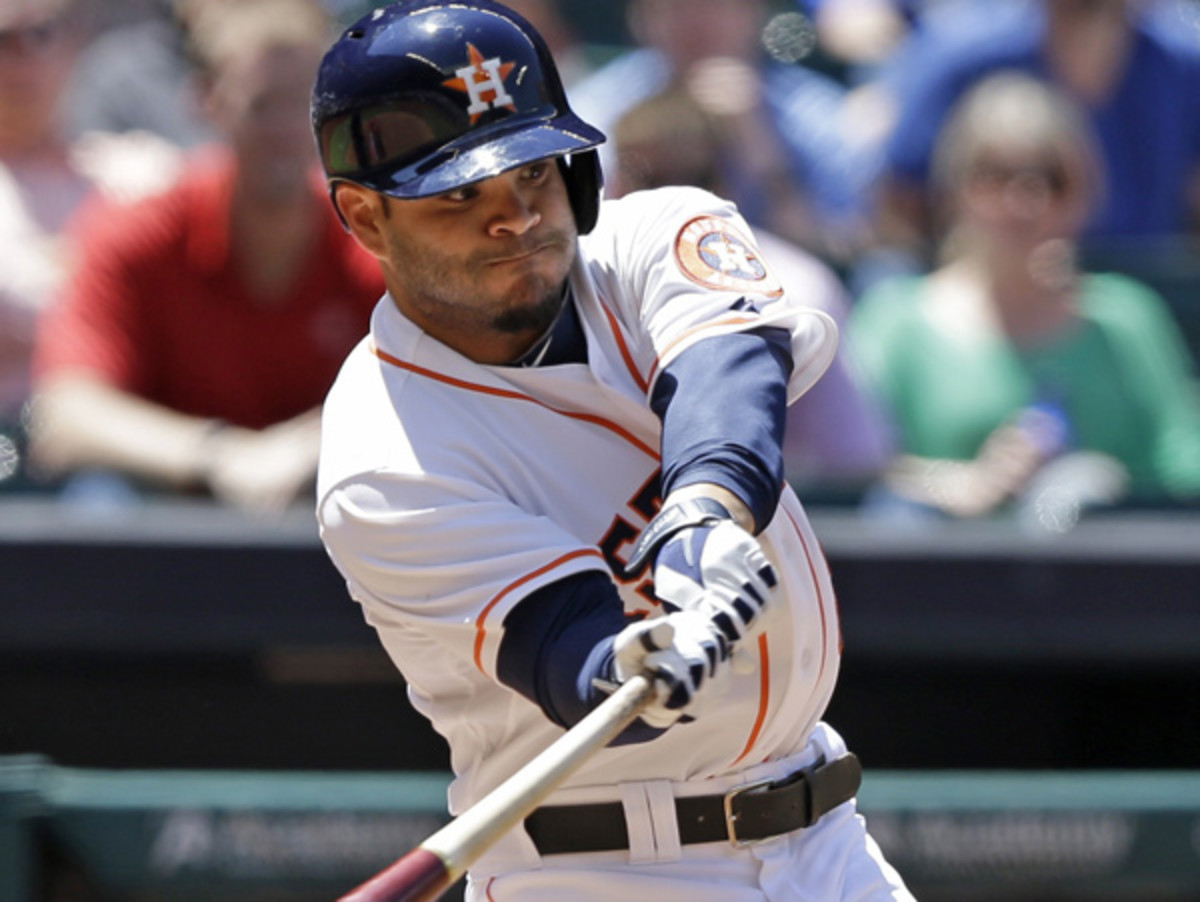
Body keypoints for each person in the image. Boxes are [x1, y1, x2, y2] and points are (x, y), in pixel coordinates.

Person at [312, 3, 913, 900]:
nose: (514, 219)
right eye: (459, 195)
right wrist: (641, 661)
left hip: (825, 837)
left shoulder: (650, 238)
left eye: (532, 175)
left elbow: (731, 376)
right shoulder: (383, 460)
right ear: (365, 217)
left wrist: (704, 515)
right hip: (604, 866)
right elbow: (572, 658)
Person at [29, 0, 384, 514]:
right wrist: (222, 456)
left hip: (330, 499)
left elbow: (445, 390)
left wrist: (310, 445)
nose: (287, 130)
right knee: (97, 501)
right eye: (264, 105)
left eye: (306, 105)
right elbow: (65, 417)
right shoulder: (140, 230)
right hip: (170, 508)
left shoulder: (373, 238)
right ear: (207, 101)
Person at [848, 72, 1200, 525]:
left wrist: (1104, 485)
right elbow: (849, 471)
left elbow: (1183, 466)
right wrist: (962, 483)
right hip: (938, 582)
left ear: (1083, 193)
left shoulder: (1127, 318)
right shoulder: (894, 320)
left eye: (1049, 180)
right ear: (955, 189)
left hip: (1104, 584)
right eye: (994, 177)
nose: (1021, 201)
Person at [610, 84, 892, 492]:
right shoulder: (576, 289)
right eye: (649, 181)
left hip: (764, 517)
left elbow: (852, 460)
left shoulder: (795, 291)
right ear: (615, 183)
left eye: (687, 180)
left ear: (724, 183)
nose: (666, 203)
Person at [0, 0, 181, 491]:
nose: (21, 58)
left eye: (41, 34)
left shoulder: (141, 170)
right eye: (3, 40)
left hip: (125, 444)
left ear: (75, 43)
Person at [872, 0, 1200, 270]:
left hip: (1151, 306)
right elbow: (900, 205)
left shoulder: (1185, 64)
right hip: (989, 309)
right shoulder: (963, 55)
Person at [567, 0, 871, 264]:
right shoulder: (594, 112)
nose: (695, 20)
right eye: (672, 5)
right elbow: (583, 236)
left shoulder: (818, 116)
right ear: (639, 15)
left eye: (714, 2)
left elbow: (844, 249)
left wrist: (758, 144)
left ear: (756, 11)